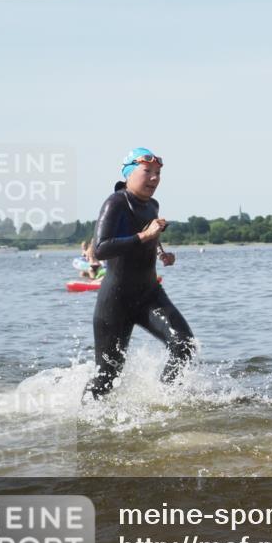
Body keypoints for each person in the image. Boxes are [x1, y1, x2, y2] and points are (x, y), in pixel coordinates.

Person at [83, 148, 194, 400]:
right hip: (116, 301)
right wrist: (145, 236)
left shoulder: (152, 205)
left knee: (184, 346)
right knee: (108, 376)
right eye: (147, 172)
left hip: (149, 294)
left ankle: (165, 401)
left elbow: (146, 237)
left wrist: (160, 252)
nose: (154, 178)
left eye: (158, 173)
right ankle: (86, 418)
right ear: (128, 174)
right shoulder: (116, 203)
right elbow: (101, 249)